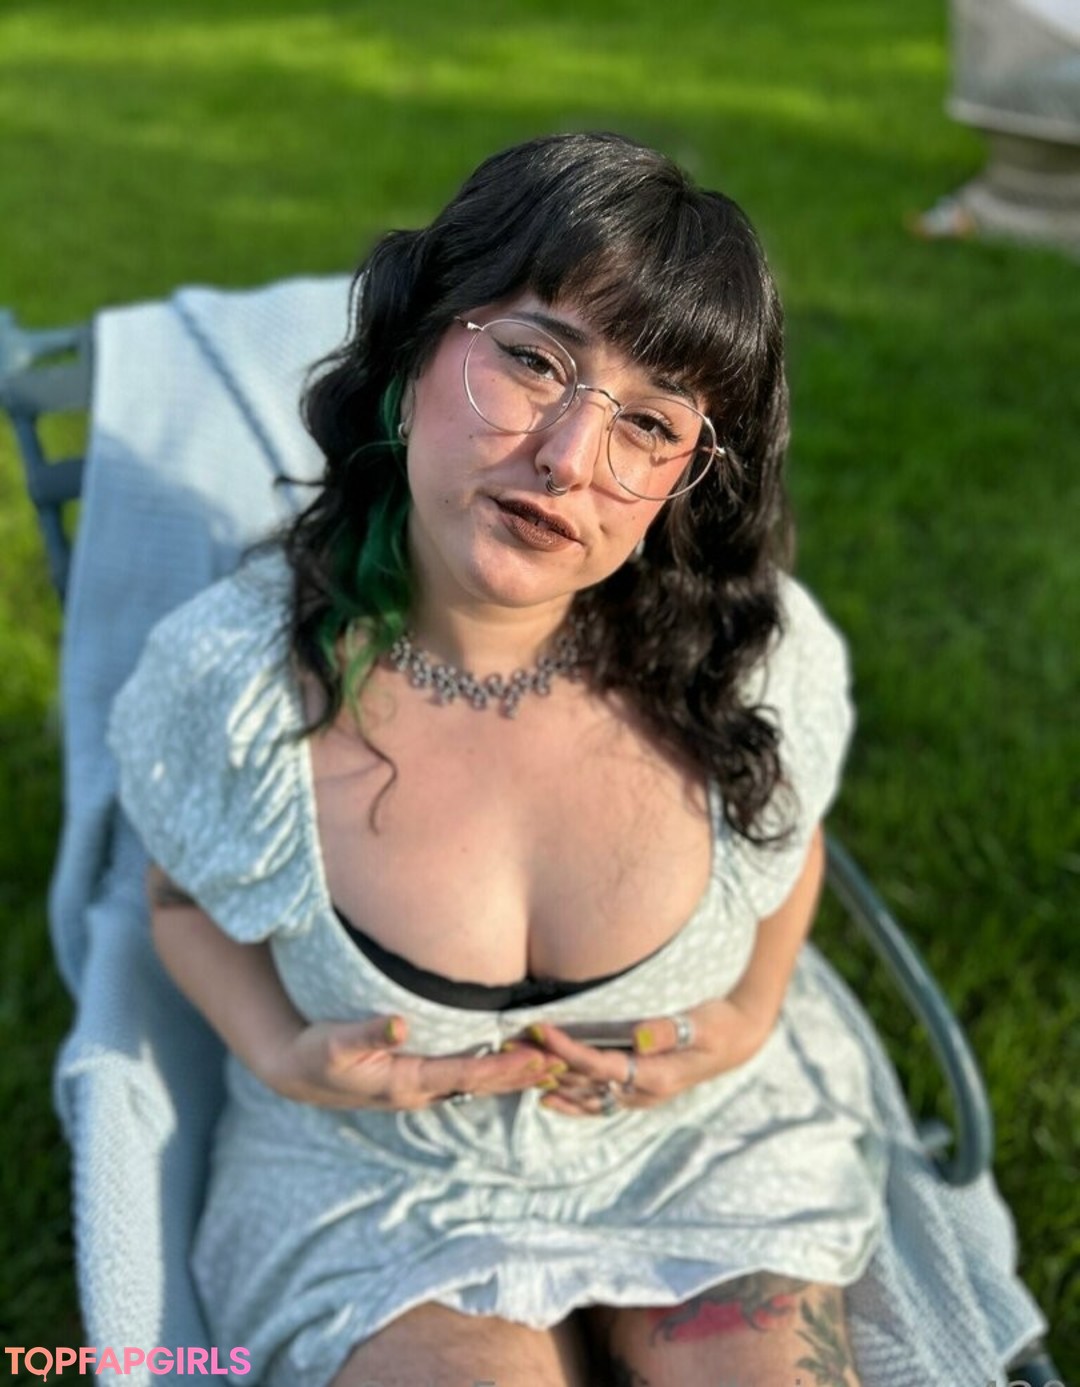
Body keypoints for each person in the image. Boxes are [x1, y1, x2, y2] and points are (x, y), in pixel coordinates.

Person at [108, 132, 1044, 1387]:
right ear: (415, 351)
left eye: (648, 424)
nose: (568, 461)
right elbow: (177, 895)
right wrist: (278, 1048)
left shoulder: (748, 666)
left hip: (707, 1151)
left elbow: (793, 842)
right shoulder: (233, 685)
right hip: (378, 1188)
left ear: (685, 477)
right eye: (535, 361)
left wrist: (747, 1014)